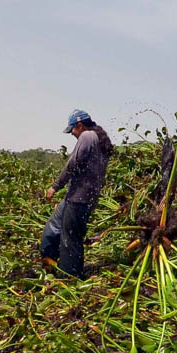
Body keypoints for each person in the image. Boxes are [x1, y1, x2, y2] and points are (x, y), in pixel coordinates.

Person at [40, 109, 113, 277]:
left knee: (70, 239)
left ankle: (69, 276)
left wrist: (55, 186)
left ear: (79, 125)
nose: (72, 134)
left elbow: (73, 164)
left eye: (72, 130)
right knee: (55, 231)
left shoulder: (87, 137)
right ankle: (51, 266)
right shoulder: (101, 140)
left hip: (78, 199)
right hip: (83, 198)